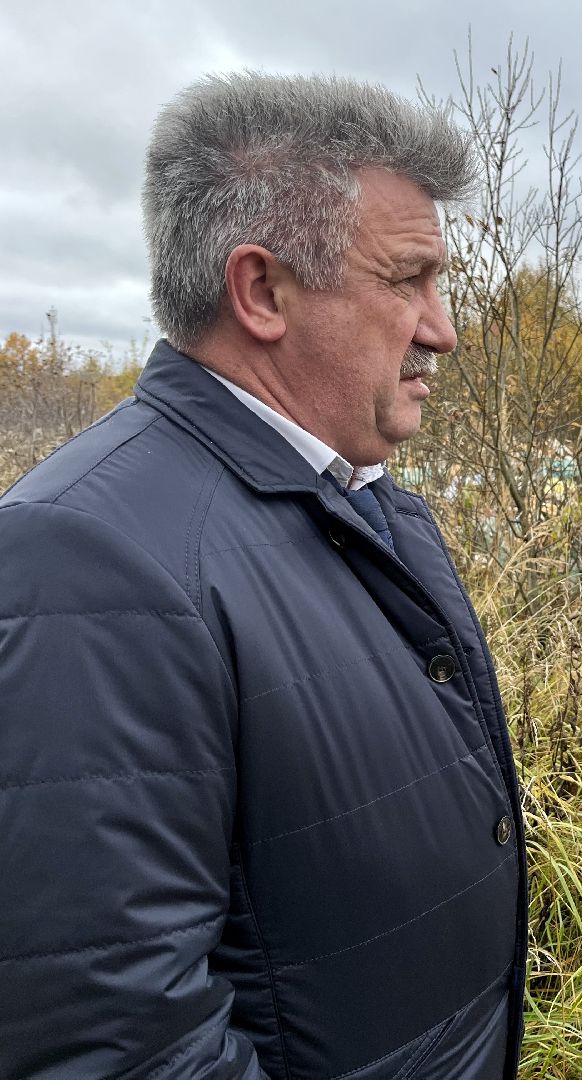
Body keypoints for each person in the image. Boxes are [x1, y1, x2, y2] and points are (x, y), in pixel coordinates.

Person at [0, 73, 525, 1078]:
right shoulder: (82, 562)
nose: (443, 328)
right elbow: (112, 1042)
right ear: (262, 291)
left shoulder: (357, 500)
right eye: (407, 279)